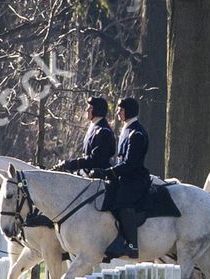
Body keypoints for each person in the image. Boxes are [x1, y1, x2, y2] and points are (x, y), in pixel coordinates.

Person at [93, 97, 150, 259]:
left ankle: (131, 244)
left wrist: (108, 172)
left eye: (121, 110)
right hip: (125, 178)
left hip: (135, 180)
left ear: (129, 111)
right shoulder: (127, 129)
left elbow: (130, 164)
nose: (118, 112)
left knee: (123, 202)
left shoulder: (136, 133)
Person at [55, 96, 116, 174]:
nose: (87, 110)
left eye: (90, 108)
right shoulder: (94, 126)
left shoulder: (104, 131)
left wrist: (72, 164)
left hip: (97, 176)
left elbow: (96, 160)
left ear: (97, 110)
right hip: (86, 172)